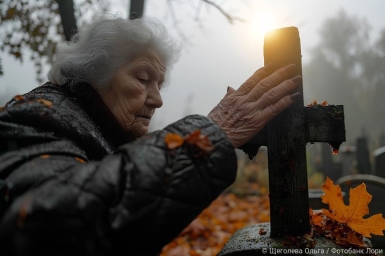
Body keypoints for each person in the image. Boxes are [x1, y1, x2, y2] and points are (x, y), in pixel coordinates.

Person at [0, 15, 301, 256]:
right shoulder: (37, 117)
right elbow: (46, 229)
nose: (157, 99)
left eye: (159, 83)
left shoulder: (86, 128)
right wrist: (207, 137)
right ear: (92, 74)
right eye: (143, 78)